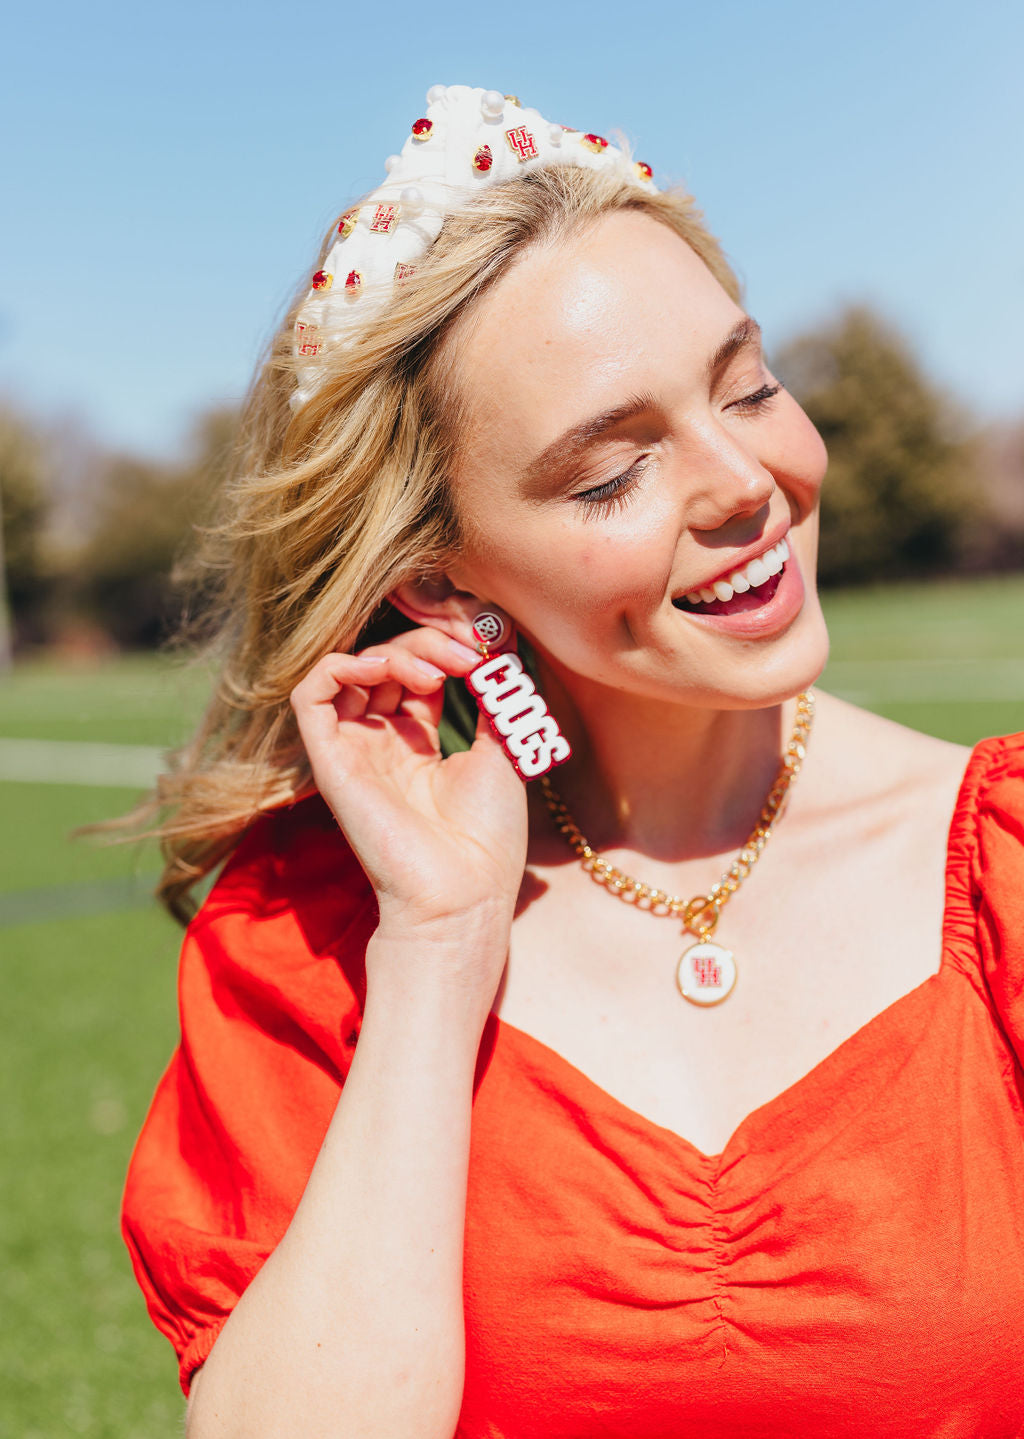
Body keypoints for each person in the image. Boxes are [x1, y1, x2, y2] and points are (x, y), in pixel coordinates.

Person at [121, 85, 1024, 1438]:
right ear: (438, 586)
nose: (743, 483)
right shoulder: (310, 943)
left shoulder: (1000, 861)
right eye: (612, 475)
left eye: (750, 386)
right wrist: (437, 945)